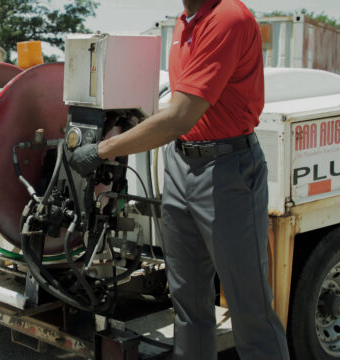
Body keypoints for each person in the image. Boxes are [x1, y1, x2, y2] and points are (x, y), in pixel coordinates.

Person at [69, 0, 289, 359]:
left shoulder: (227, 17)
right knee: (188, 302)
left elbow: (180, 117)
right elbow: (177, 109)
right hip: (181, 163)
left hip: (226, 170)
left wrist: (101, 150)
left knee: (249, 307)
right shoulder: (185, 22)